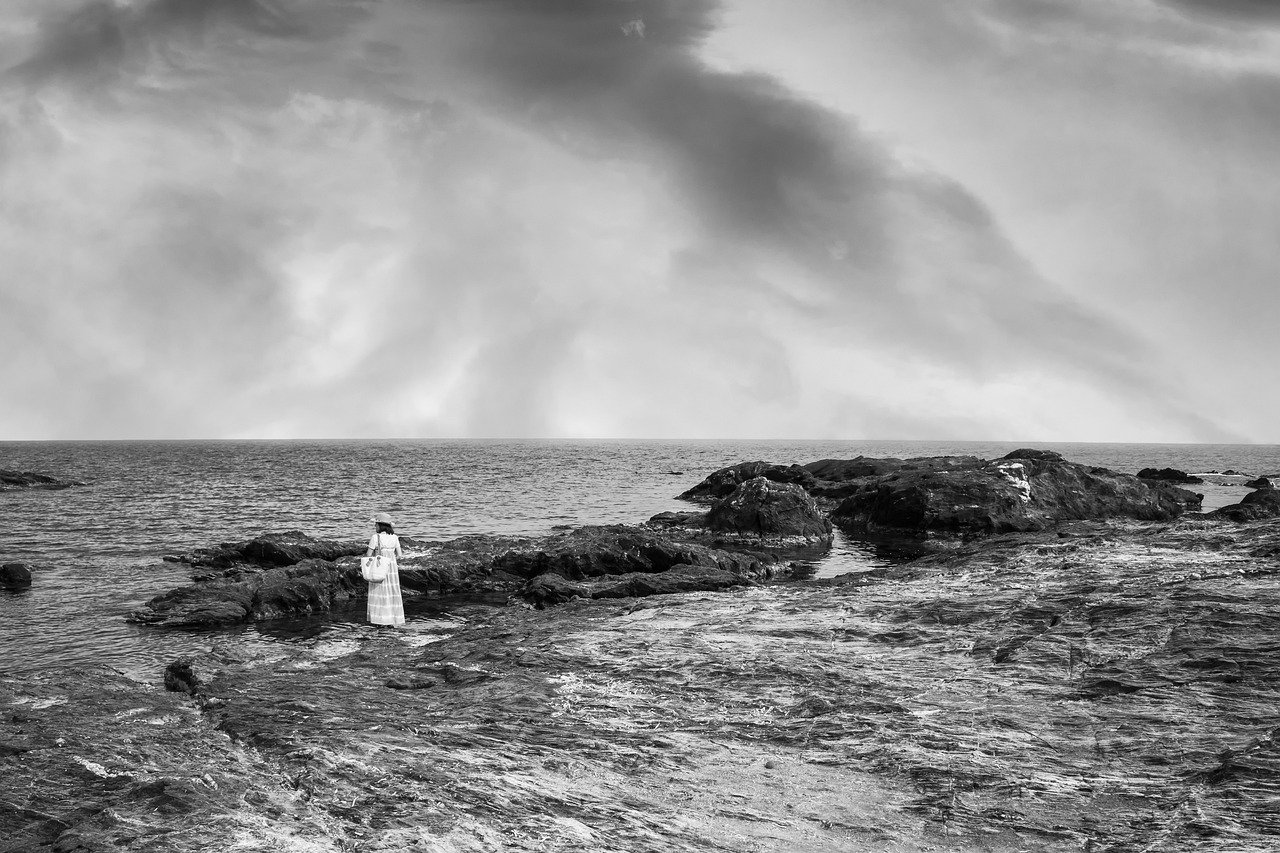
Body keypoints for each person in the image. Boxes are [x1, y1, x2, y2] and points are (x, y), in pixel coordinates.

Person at [366, 512, 405, 627]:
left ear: (380, 525)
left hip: (379, 568)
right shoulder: (394, 537)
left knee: (380, 593)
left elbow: (368, 554)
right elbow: (399, 555)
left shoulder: (375, 537)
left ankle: (381, 620)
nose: (375, 526)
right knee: (392, 593)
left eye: (376, 524)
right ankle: (392, 620)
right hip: (391, 569)